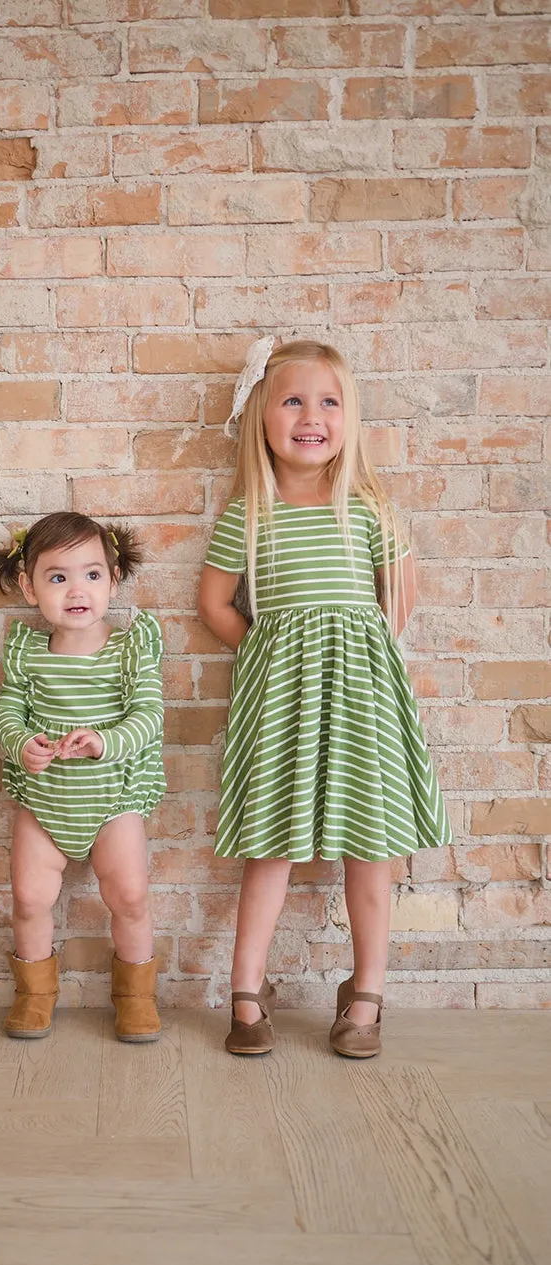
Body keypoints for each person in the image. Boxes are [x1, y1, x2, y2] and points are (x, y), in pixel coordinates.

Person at [197, 338, 451, 1059]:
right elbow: (214, 601)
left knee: (371, 848)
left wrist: (351, 651)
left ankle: (366, 987)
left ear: (349, 418)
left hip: (362, 698)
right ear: (263, 419)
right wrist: (267, 648)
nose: (312, 415)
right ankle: (247, 988)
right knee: (269, 841)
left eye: (330, 401)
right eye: (294, 400)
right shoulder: (251, 512)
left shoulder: (367, 506)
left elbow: (400, 597)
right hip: (280, 700)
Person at [0, 513, 165, 1043]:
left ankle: (136, 997)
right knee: (29, 897)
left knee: (130, 895)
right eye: (57, 577)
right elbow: (4, 712)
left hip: (114, 797)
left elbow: (149, 716)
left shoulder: (130, 649)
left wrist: (104, 742)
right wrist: (21, 745)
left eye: (91, 575)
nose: (76, 590)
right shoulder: (27, 654)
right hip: (45, 802)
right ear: (28, 586)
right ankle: (34, 994)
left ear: (113, 579)